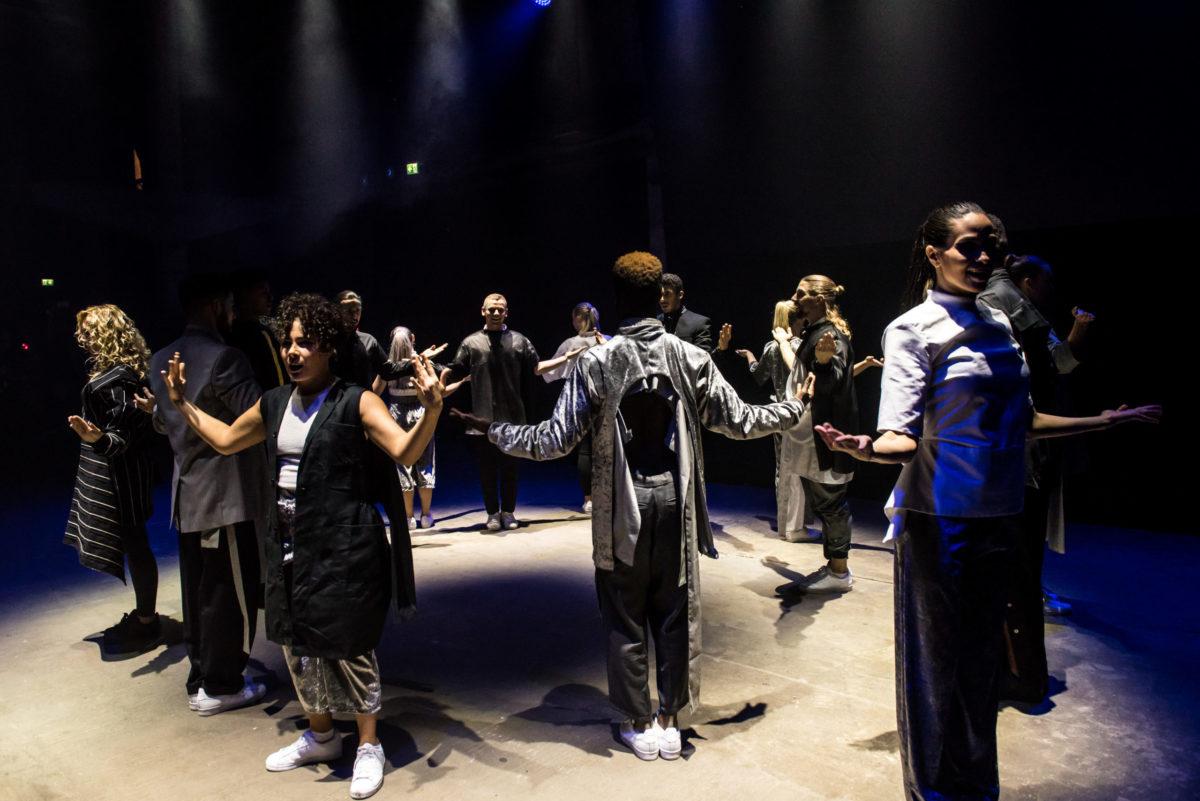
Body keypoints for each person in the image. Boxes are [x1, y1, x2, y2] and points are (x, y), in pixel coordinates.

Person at [815, 201, 1159, 801]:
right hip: (941, 521)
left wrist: (1106, 420)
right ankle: (935, 792)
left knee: (981, 671)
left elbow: (1022, 421)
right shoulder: (912, 329)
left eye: (989, 248)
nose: (981, 258)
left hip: (1001, 515)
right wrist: (865, 448)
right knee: (938, 675)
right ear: (934, 254)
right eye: (967, 247)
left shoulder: (999, 326)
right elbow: (901, 433)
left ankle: (978, 789)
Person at [453, 251, 805, 761]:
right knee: (673, 609)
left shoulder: (597, 360)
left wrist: (495, 431)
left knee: (624, 612)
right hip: (675, 500)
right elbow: (742, 421)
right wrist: (795, 406)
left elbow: (554, 439)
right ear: (658, 297)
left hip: (621, 504)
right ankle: (669, 721)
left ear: (617, 299)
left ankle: (639, 722)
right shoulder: (690, 357)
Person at [158, 292, 444, 800]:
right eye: (289, 343)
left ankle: (369, 745)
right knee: (295, 644)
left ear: (328, 348)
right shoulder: (273, 403)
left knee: (349, 647)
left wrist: (431, 410)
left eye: (305, 343)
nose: (292, 352)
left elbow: (403, 451)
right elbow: (225, 440)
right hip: (287, 542)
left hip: (343, 545)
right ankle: (321, 735)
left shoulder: (357, 400)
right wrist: (181, 404)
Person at [977, 246, 1096, 701]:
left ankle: (1020, 676)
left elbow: (1052, 369)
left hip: (1020, 450)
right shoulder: (1000, 303)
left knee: (1015, 566)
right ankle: (1020, 674)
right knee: (1015, 564)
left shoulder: (1008, 307)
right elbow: (1057, 365)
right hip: (1014, 453)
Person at [147, 273, 267, 717]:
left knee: (198, 591)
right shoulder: (226, 358)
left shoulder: (161, 358)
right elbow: (258, 417)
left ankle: (201, 679)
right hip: (226, 496)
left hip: (187, 496)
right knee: (229, 591)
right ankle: (221, 685)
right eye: (231, 305)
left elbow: (165, 423)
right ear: (217, 304)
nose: (234, 313)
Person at [64, 304, 160, 656]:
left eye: (88, 331)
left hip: (125, 475)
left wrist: (96, 439)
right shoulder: (118, 374)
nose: (81, 338)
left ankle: (148, 621)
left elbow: (124, 438)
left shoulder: (119, 379)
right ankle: (146, 615)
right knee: (136, 544)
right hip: (121, 471)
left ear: (107, 333)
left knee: (136, 544)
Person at [773, 276, 861, 592]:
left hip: (821, 435)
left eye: (801, 293)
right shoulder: (815, 332)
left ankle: (839, 573)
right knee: (824, 501)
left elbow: (832, 381)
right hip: (809, 431)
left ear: (819, 299)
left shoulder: (828, 335)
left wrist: (823, 364)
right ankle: (835, 568)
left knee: (831, 503)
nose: (794, 296)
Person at [441, 293, 540, 531]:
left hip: (513, 418)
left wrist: (567, 358)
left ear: (507, 312)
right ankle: (492, 513)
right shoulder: (471, 342)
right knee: (487, 469)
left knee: (510, 468)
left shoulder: (519, 341)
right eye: (492, 309)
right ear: (482, 311)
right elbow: (454, 369)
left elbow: (537, 367)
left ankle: (508, 511)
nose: (496, 313)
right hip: (482, 417)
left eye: (500, 310)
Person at [737, 301, 807, 540]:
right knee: (799, 468)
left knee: (782, 468)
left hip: (778, 413)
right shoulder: (799, 346)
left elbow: (758, 375)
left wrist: (749, 356)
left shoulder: (771, 347)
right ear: (798, 320)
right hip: (798, 412)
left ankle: (786, 524)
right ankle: (794, 527)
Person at [384, 326, 459, 530]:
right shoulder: (421, 362)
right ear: (413, 339)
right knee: (425, 462)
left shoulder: (388, 365)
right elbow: (439, 391)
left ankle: (408, 518)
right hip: (420, 412)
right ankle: (425, 515)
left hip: (396, 415)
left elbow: (374, 390)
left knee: (402, 465)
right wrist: (461, 381)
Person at [541, 302, 609, 514]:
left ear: (579, 320)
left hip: (579, 401)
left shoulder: (571, 343)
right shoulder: (608, 340)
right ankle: (607, 496)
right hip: (607, 400)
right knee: (607, 449)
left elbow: (548, 373)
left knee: (586, 450)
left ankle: (588, 499)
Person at [228, 269, 287, 390]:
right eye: (263, 293)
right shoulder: (262, 335)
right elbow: (278, 381)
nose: (270, 298)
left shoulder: (227, 333)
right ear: (245, 296)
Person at [334, 290, 389, 393]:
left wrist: (418, 361)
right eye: (349, 311)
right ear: (337, 311)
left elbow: (388, 371)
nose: (355, 316)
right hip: (333, 406)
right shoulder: (326, 341)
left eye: (358, 311)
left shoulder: (368, 340)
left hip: (361, 406)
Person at [657, 272, 713, 351]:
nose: (662, 299)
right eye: (660, 295)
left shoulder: (699, 323)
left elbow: (703, 360)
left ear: (680, 295)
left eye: (667, 294)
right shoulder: (654, 322)